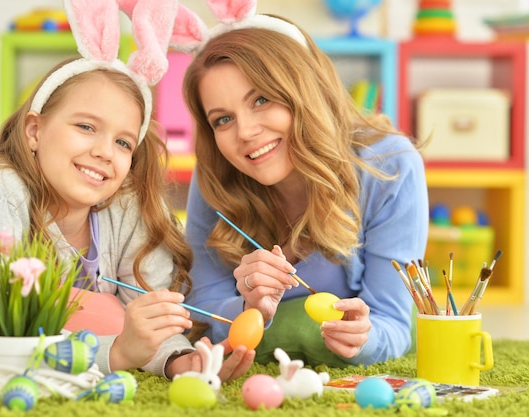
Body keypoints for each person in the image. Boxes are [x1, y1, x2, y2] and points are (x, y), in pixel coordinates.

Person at [0, 0, 253, 380]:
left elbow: (150, 317)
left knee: (109, 312)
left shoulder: (128, 209)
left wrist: (181, 361)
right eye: (86, 127)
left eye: (124, 143)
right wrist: (118, 351)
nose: (104, 152)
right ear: (34, 131)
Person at [173, 2, 429, 366]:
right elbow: (204, 308)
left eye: (261, 99)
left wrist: (365, 338)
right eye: (223, 119)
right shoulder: (216, 171)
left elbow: (393, 322)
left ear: (304, 90)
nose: (244, 132)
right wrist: (249, 308)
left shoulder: (390, 165)